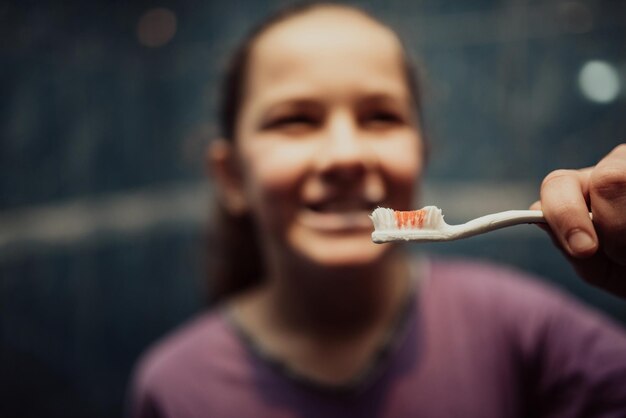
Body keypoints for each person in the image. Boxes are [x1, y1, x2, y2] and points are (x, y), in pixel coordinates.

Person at [128, 3, 626, 417]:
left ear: (422, 153)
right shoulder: (174, 388)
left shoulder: (526, 330)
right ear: (233, 177)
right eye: (295, 120)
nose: (346, 155)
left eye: (381, 116)